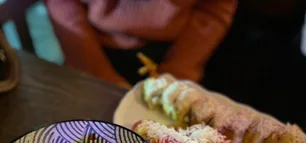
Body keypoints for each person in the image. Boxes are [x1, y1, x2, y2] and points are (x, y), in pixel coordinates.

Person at [43, 0, 238, 88]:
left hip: (176, 49)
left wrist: (178, 73)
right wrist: (98, 74)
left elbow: (214, 9)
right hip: (90, 47)